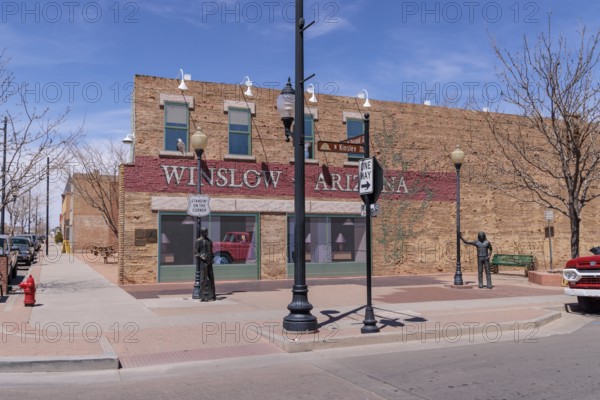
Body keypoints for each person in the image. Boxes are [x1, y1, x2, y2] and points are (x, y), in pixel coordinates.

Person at [195, 227, 216, 301]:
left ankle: (213, 295)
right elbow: (195, 253)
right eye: (205, 232)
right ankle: (202, 295)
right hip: (203, 263)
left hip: (209, 262)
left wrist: (212, 258)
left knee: (211, 278)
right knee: (203, 279)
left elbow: (211, 251)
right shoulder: (198, 241)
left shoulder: (209, 241)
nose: (206, 233)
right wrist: (201, 257)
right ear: (202, 233)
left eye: (207, 232)